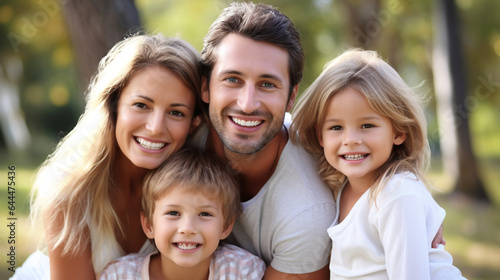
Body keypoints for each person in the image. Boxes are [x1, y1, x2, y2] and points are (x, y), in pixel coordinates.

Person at [12, 34, 204, 280]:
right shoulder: (70, 189)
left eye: (176, 112)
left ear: (194, 123)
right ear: (114, 106)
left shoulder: (200, 186)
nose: (156, 127)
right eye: (141, 105)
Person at [190, 2, 336, 278]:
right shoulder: (176, 137)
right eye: (232, 79)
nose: (247, 104)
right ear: (205, 87)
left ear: (291, 97)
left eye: (268, 84)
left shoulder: (306, 211)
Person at [290, 49, 465, 279]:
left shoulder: (396, 195)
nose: (350, 140)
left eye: (367, 126)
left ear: (399, 131)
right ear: (320, 137)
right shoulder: (342, 187)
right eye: (336, 127)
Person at [99, 148, 266, 280]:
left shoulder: (243, 271)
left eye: (205, 214)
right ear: (149, 225)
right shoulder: (119, 275)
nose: (187, 228)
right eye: (173, 213)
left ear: (226, 226)